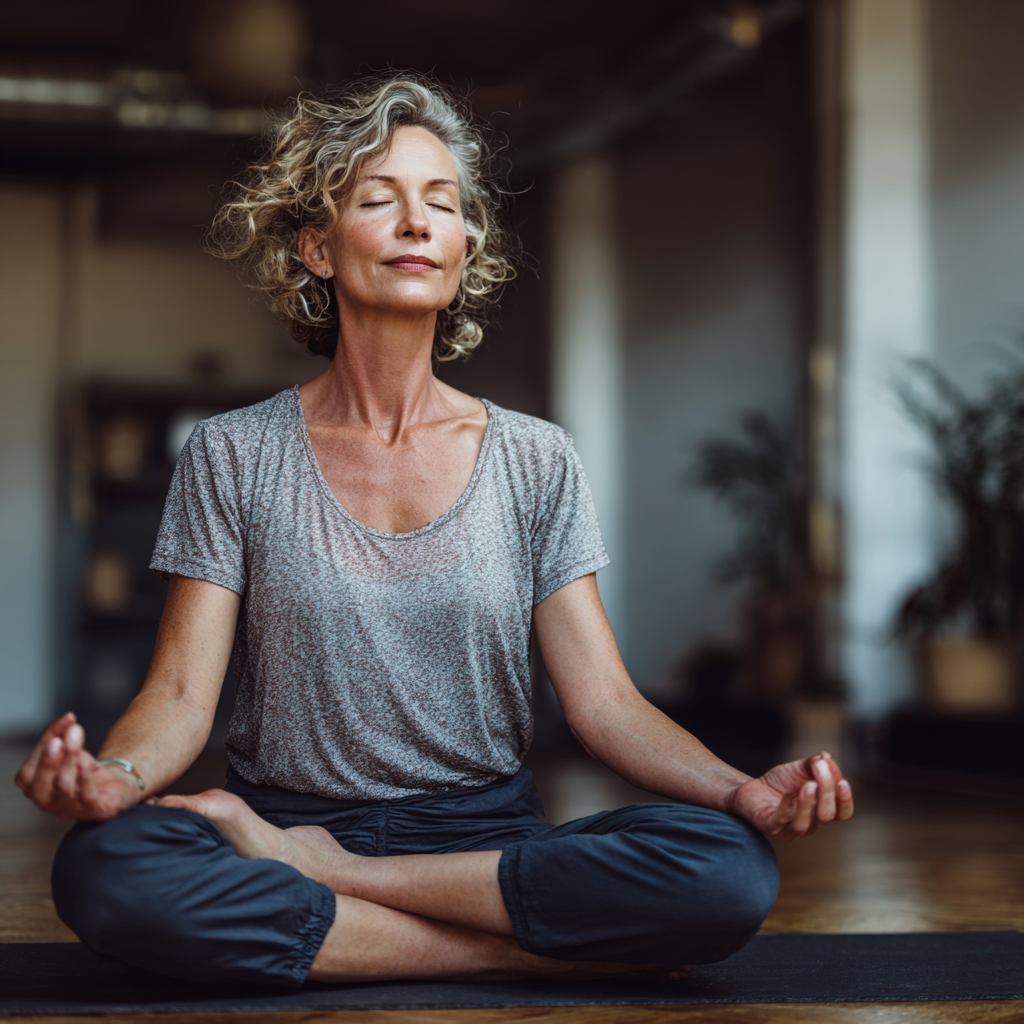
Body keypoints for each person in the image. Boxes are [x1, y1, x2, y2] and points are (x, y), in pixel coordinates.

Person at [15, 75, 853, 988]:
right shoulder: (233, 452)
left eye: (441, 203)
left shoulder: (536, 457)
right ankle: (512, 953)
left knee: (724, 868)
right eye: (379, 200)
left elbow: (605, 704)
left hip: (480, 837)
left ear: (461, 252)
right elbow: (181, 694)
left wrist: (740, 790)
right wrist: (117, 778)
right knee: (106, 871)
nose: (417, 222)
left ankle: (346, 899)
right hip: (280, 825)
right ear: (317, 250)